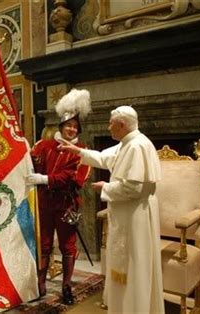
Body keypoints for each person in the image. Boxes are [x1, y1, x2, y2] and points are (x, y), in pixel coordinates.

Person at [58, 106, 164, 313]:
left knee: (134, 266)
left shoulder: (136, 146)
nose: (108, 127)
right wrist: (77, 151)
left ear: (122, 124)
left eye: (111, 123)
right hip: (128, 213)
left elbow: (133, 188)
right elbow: (103, 158)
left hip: (135, 215)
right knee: (128, 266)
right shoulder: (128, 142)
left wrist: (105, 187)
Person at [26, 89, 92, 305]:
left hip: (66, 205)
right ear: (61, 126)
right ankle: (41, 283)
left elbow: (75, 179)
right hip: (45, 204)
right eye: (68, 125)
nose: (71, 129)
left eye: (75, 126)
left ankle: (66, 286)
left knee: (67, 246)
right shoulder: (44, 145)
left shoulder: (82, 151)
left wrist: (45, 179)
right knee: (44, 244)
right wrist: (24, 149)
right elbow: (30, 161)